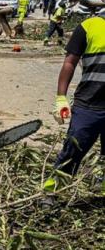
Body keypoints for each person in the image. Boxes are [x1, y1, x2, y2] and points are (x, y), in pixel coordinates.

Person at [44, 15, 105, 195]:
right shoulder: (89, 26)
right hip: (89, 104)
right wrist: (61, 97)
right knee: (72, 152)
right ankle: (51, 193)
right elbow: (70, 62)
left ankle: (99, 189)